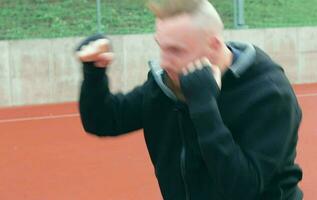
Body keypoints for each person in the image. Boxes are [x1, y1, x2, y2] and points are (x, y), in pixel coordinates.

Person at [76, 0, 303, 199]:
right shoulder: (166, 84)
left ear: (213, 45)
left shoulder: (269, 94)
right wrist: (94, 72)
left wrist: (204, 107)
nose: (164, 62)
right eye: (161, 47)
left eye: (176, 50)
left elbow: (242, 189)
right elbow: (104, 120)